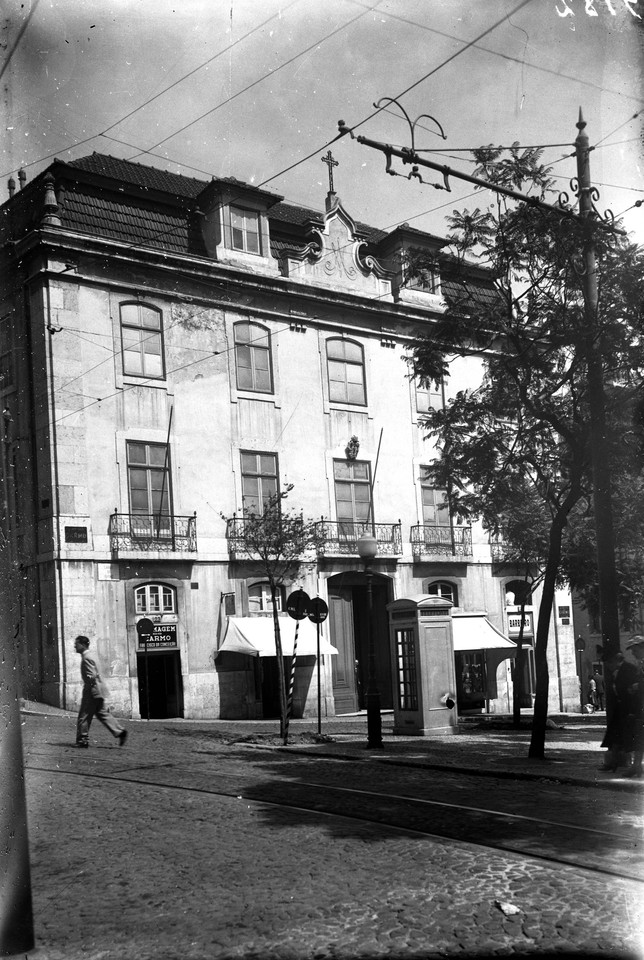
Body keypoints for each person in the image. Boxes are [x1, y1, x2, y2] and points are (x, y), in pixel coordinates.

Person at [75, 635, 128, 748]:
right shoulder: (92, 655)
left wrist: (88, 685)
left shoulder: (87, 657)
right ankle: (120, 731)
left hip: (92, 690)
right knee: (102, 713)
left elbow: (92, 675)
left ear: (83, 645)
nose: (75, 646)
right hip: (99, 689)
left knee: (84, 715)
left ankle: (82, 740)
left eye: (77, 644)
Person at [598, 647, 638, 773]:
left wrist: (632, 710)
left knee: (630, 737)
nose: (608, 666)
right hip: (620, 709)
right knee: (614, 736)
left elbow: (633, 692)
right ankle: (612, 762)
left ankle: (631, 765)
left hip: (629, 708)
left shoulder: (629, 669)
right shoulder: (616, 672)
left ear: (615, 660)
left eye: (609, 663)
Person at [622, 636, 644, 778]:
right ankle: (636, 767)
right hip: (641, 707)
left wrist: (638, 686)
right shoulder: (641, 664)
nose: (633, 653)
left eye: (635, 650)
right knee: (639, 737)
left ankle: (636, 767)